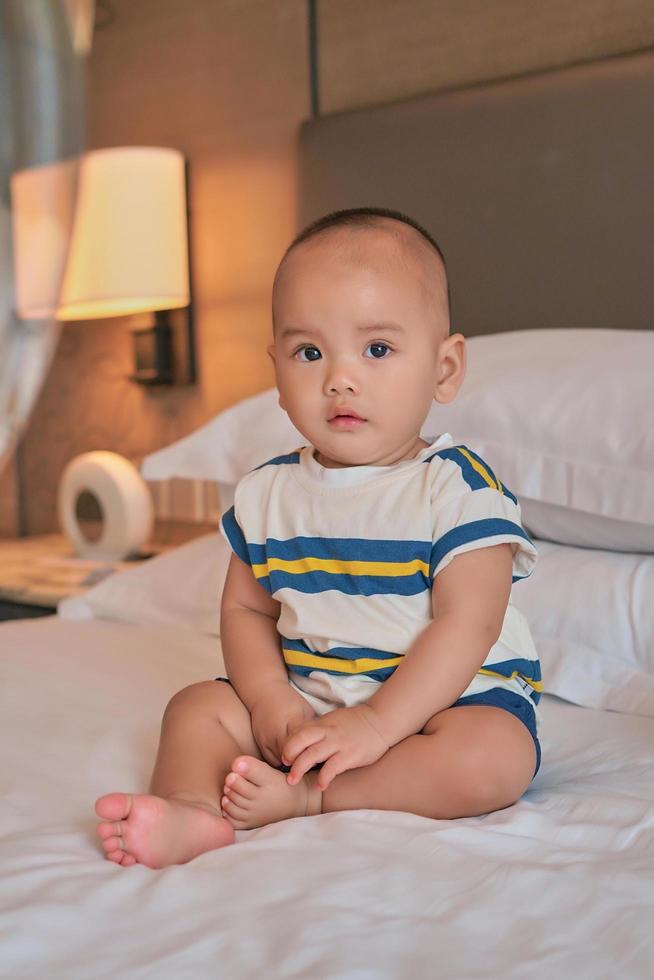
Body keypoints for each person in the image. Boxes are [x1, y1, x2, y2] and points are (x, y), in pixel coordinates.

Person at [95, 206, 542, 869]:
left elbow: (468, 625)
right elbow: (246, 609)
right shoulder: (267, 495)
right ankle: (190, 809)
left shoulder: (457, 491)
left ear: (445, 369)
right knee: (196, 708)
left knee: (494, 761)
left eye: (378, 349)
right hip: (313, 701)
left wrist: (376, 725)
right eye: (309, 352)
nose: (340, 377)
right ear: (275, 370)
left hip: (439, 707)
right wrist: (273, 700)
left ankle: (311, 800)